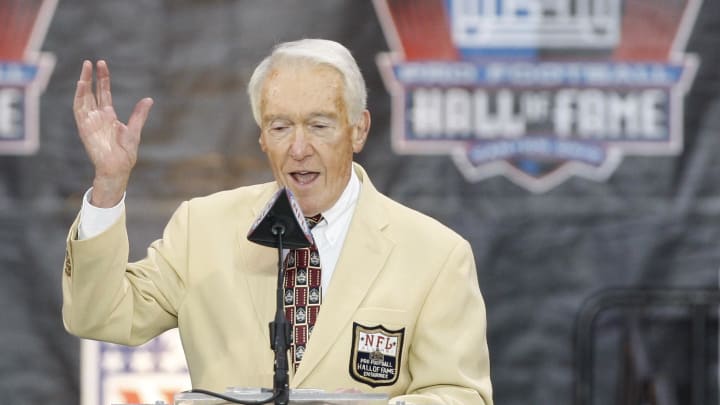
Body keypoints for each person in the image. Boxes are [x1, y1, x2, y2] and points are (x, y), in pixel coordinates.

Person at [62, 39, 493, 404]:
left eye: (320, 125)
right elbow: (98, 316)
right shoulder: (202, 229)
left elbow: (460, 395)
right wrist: (108, 185)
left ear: (358, 130)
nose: (299, 148)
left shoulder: (435, 255)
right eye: (281, 126)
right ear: (261, 136)